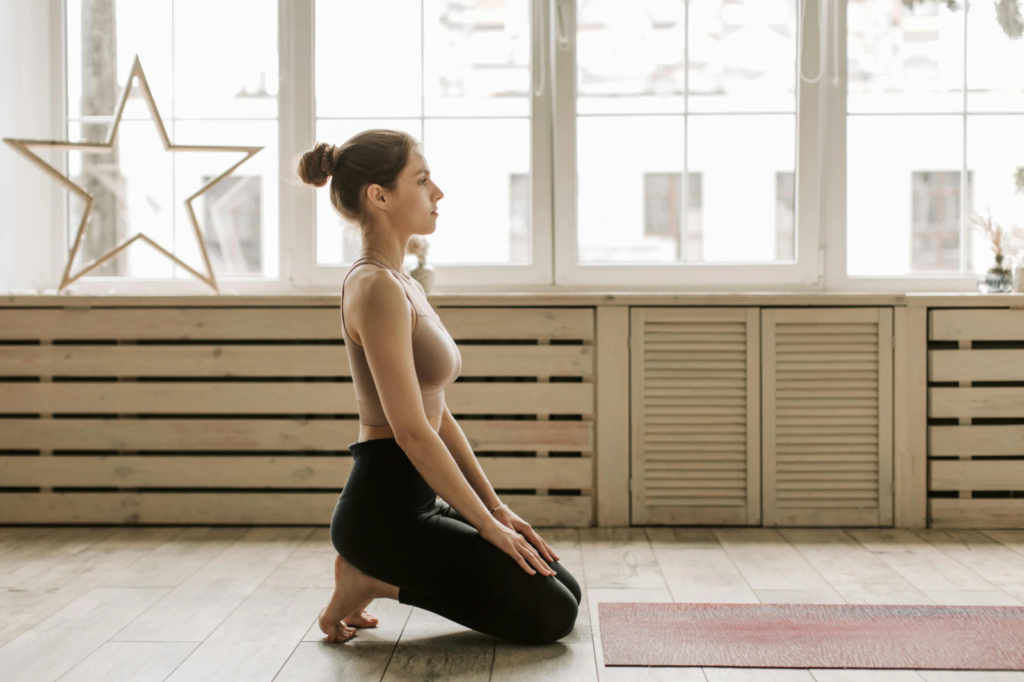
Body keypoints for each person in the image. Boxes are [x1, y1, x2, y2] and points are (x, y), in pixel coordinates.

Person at [296, 130, 581, 646]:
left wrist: (496, 510)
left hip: (422, 496)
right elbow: (410, 432)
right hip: (384, 511)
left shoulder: (403, 281)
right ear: (379, 196)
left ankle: (371, 574)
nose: (438, 193)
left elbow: (438, 414)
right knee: (552, 616)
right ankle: (370, 579)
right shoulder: (375, 287)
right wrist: (485, 527)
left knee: (566, 589)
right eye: (422, 180)